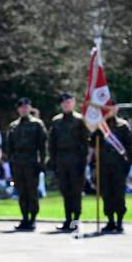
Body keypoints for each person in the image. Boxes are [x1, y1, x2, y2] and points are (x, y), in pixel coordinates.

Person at [5, 97, 48, 231]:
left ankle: (33, 218)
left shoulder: (37, 124)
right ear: (18, 109)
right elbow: (9, 147)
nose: (24, 109)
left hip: (31, 161)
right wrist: (10, 164)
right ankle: (24, 218)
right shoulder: (13, 125)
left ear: (30, 108)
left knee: (32, 191)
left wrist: (42, 163)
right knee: (21, 192)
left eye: (26, 107)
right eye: (21, 107)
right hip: (17, 163)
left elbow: (42, 146)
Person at [48, 93, 88, 232]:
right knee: (65, 190)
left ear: (74, 103)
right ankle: (67, 219)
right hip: (61, 159)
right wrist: (53, 160)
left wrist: (83, 161)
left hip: (76, 159)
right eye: (64, 103)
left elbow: (85, 142)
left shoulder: (80, 120)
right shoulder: (56, 121)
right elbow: (52, 143)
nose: (66, 105)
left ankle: (75, 220)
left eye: (69, 102)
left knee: (76, 191)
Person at [92, 114, 132, 233]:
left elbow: (129, 147)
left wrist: (127, 165)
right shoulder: (100, 126)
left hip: (119, 167)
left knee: (119, 194)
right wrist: (95, 132)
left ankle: (119, 221)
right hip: (104, 166)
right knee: (106, 194)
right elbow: (92, 143)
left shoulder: (123, 126)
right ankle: (110, 220)